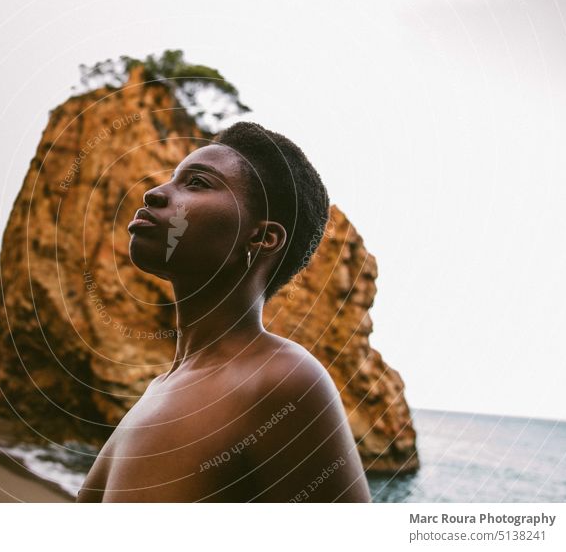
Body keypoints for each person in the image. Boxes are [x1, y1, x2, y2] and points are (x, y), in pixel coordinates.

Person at [76, 122, 371, 502]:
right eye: (172, 179)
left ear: (262, 237)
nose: (154, 193)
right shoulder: (159, 389)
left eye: (197, 183)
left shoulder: (282, 380)